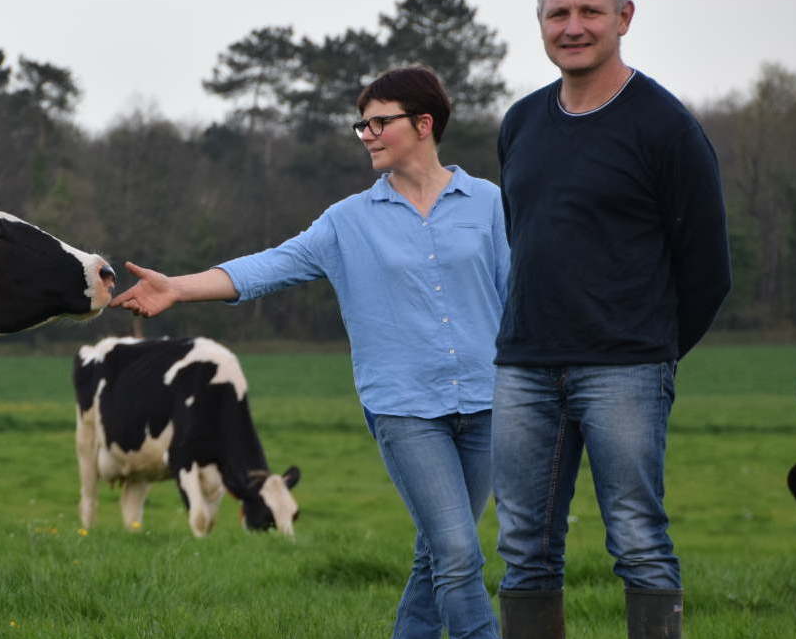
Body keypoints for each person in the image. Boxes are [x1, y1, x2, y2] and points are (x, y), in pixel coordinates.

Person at [112, 65, 509, 639]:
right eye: (362, 125)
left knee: (439, 553)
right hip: (405, 409)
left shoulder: (490, 205)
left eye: (379, 122)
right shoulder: (347, 221)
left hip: (487, 402)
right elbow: (269, 266)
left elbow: (518, 295)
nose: (367, 134)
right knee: (457, 551)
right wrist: (179, 285)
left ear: (424, 124)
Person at [491, 0, 731, 639]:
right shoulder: (520, 123)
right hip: (523, 367)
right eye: (557, 14)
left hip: (624, 369)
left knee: (636, 538)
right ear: (540, 24)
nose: (572, 27)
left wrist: (648, 351)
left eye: (589, 12)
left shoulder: (664, 127)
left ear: (623, 19)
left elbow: (708, 268)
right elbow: (524, 238)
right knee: (522, 547)